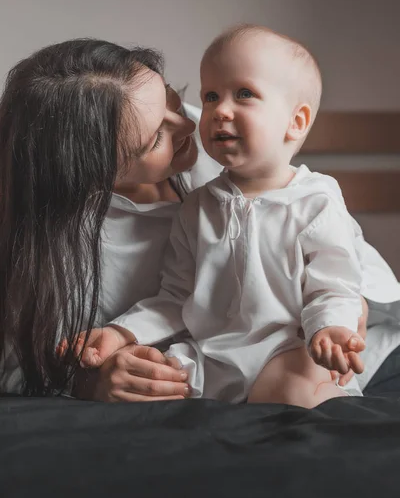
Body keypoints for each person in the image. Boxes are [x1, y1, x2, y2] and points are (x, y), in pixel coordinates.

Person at [0, 35, 398, 401]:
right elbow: (175, 298)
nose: (192, 122)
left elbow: (334, 257)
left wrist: (342, 311)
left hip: (328, 349)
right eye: (156, 138)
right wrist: (90, 376)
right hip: (213, 364)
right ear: (96, 174)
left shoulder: (229, 135)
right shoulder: (62, 250)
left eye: (173, 98)